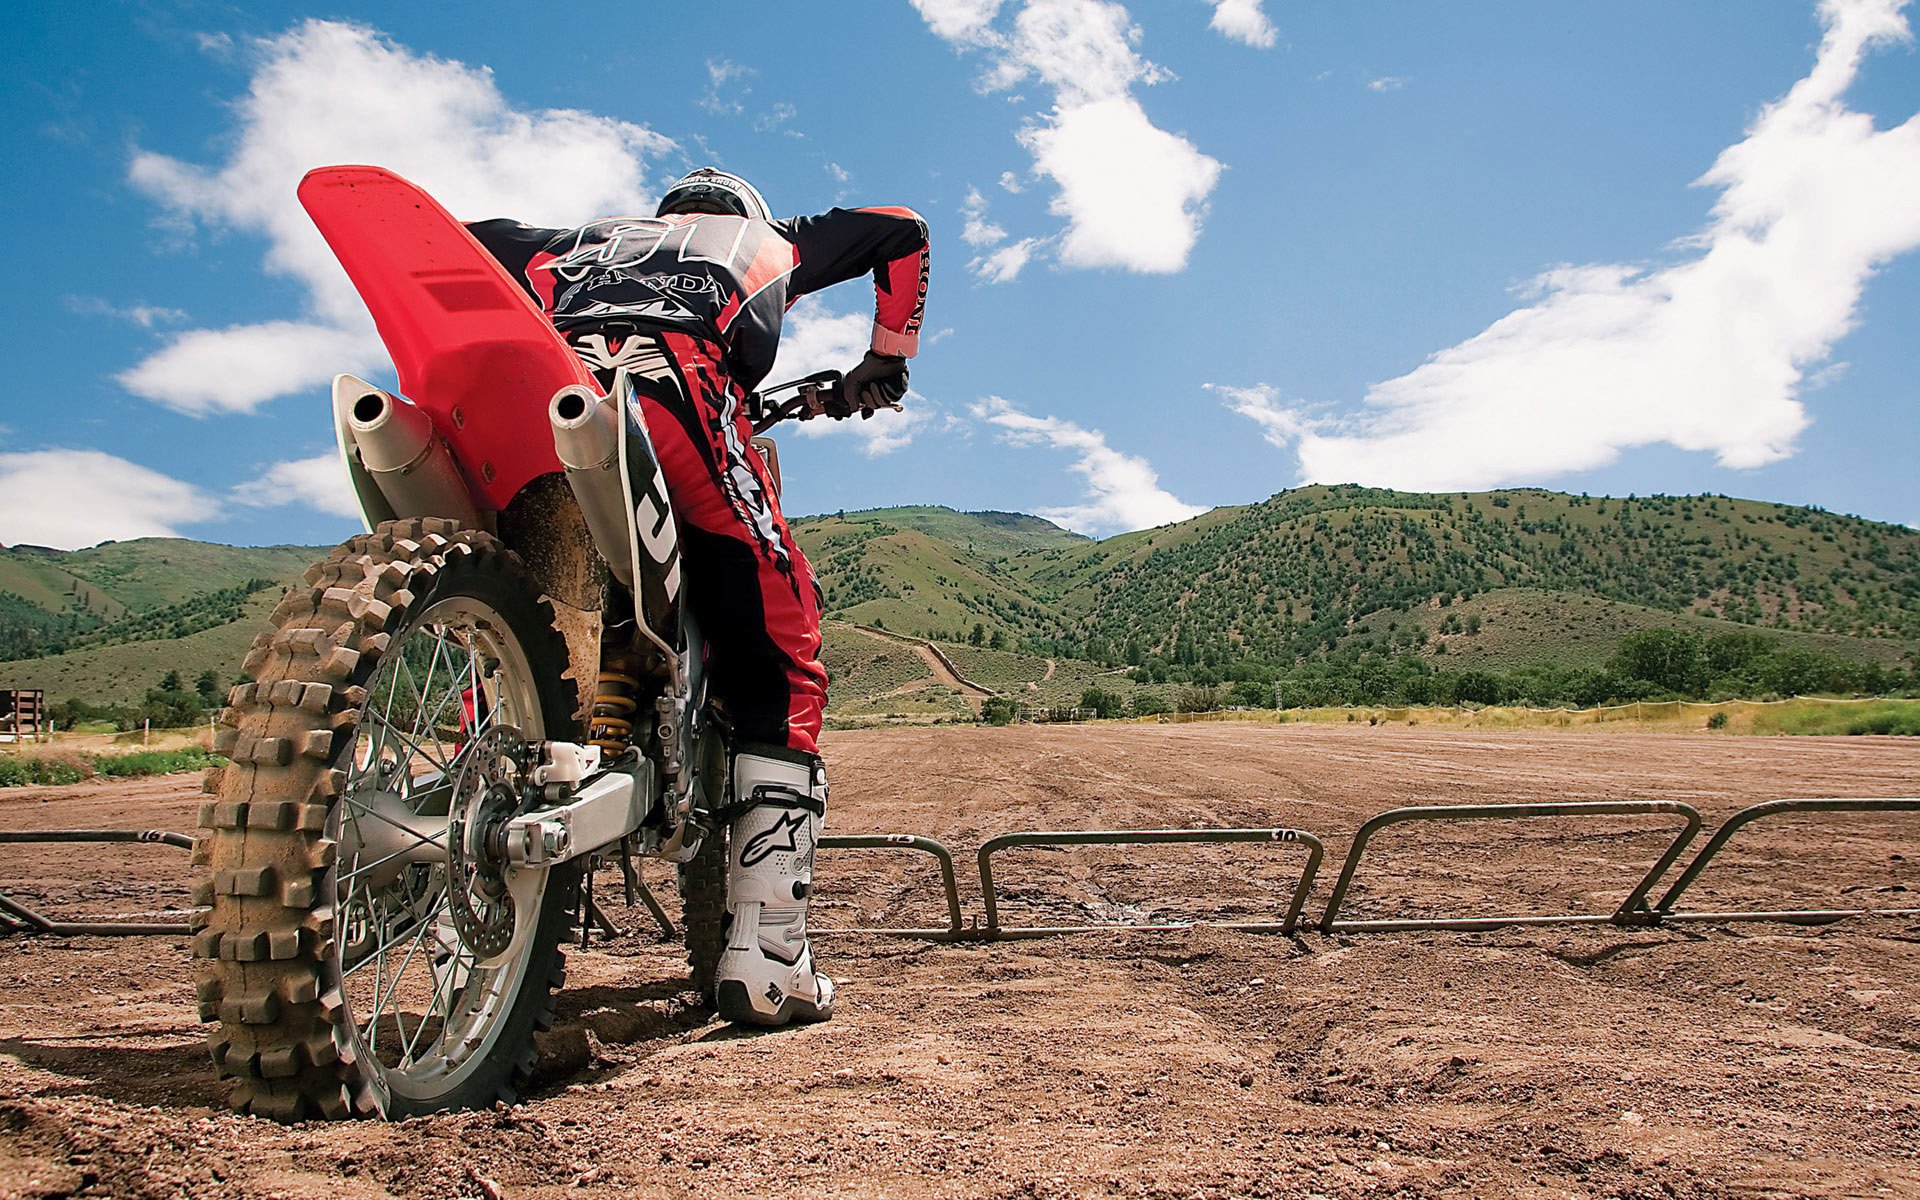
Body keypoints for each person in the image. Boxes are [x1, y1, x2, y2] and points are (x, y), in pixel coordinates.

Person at [466, 168, 928, 1027]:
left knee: (494, 617)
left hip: (538, 406)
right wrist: (885, 360)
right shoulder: (766, 239)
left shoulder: (574, 243)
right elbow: (901, 227)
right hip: (675, 398)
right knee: (784, 641)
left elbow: (453, 241)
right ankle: (770, 957)